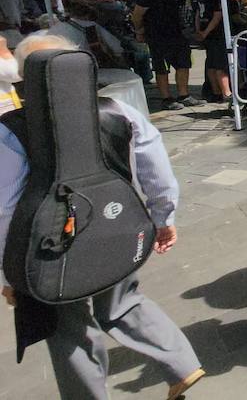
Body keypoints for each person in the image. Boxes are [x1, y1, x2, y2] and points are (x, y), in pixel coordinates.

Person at [0, 35, 206, 400]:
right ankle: (182, 364)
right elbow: (156, 169)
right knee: (124, 299)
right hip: (116, 225)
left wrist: (10, 271)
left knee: (68, 328)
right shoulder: (117, 110)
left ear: (25, 76)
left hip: (51, 243)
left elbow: (5, 208)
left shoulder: (9, 131)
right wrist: (163, 217)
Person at [133, 0, 205, 112]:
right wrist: (139, 31)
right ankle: (166, 98)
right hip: (157, 37)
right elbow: (137, 16)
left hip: (179, 36)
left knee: (184, 65)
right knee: (162, 69)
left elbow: (187, 12)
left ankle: (184, 95)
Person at [193, 0, 236, 104]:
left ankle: (216, 92)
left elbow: (196, 15)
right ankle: (226, 92)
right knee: (220, 66)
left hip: (208, 34)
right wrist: (204, 32)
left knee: (211, 64)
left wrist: (199, 31)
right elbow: (217, 17)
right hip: (217, 34)